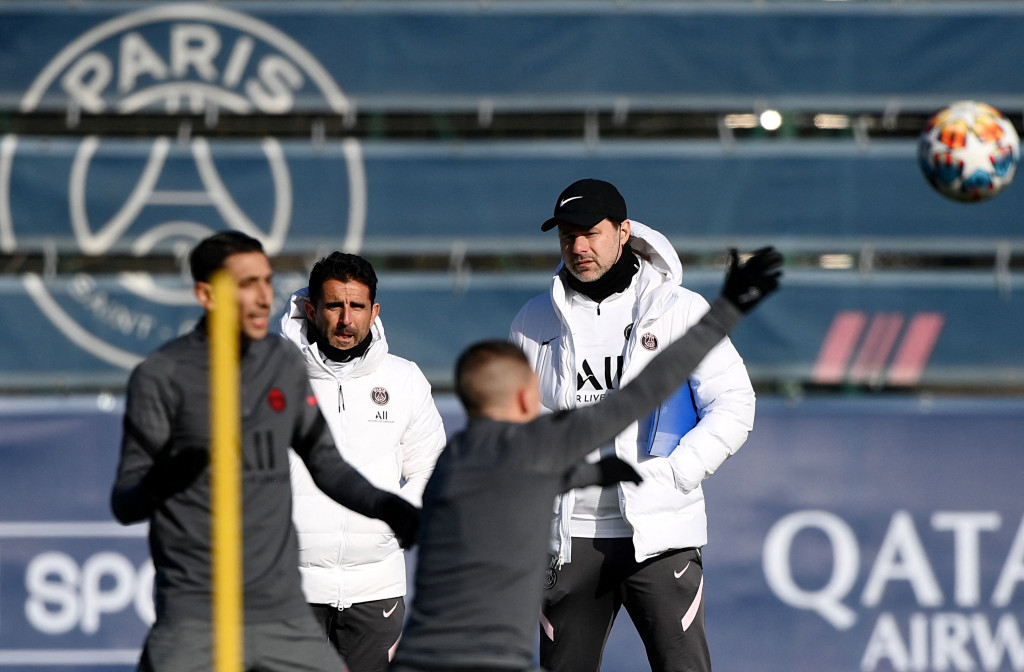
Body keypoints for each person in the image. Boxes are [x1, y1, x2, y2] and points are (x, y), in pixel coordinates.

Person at [391, 246, 782, 672]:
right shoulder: (538, 442)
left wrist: (594, 474)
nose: (578, 246)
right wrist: (726, 310)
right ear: (525, 394)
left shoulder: (453, 462)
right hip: (509, 636)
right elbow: (641, 394)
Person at [110, 231, 419, 672]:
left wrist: (389, 507)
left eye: (266, 281)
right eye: (245, 284)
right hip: (197, 614)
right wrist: (172, 473)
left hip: (281, 612)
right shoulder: (160, 376)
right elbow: (125, 503)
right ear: (205, 294)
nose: (262, 297)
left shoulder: (282, 363)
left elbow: (326, 464)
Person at [508, 179, 759, 672]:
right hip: (568, 539)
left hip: (660, 535)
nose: (578, 246)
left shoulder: (681, 311)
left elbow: (734, 404)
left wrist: (675, 474)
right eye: (566, 235)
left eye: (591, 232)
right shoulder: (531, 321)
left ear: (623, 232)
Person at [279, 252, 446, 672]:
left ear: (374, 311)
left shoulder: (403, 379)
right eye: (334, 306)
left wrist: (394, 521)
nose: (345, 320)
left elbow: (432, 467)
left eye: (356, 307)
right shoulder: (270, 379)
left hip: (377, 588)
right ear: (311, 309)